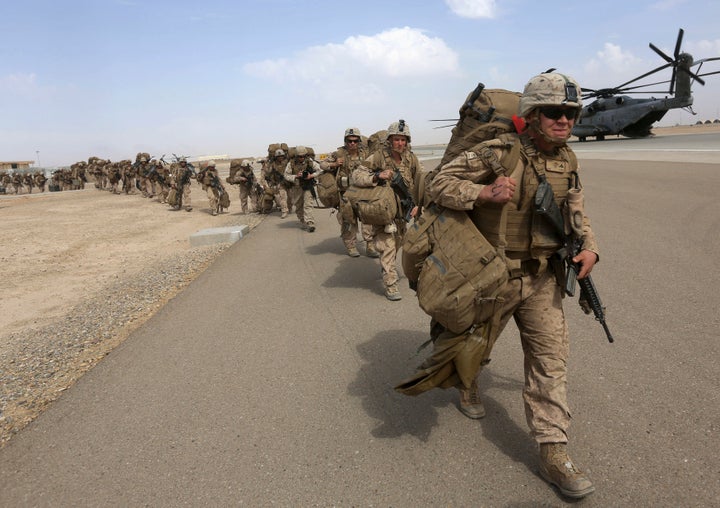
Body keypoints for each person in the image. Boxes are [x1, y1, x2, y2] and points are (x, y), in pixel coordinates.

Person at [425, 72, 599, 498]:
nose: (564, 121)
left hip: (543, 277)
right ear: (533, 115)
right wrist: (481, 195)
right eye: (555, 113)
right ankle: (467, 383)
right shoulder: (499, 152)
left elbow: (576, 212)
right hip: (494, 278)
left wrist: (590, 246)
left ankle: (553, 450)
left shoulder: (566, 161)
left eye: (570, 113)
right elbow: (437, 183)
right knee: (474, 349)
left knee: (550, 361)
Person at [352, 120, 421, 300]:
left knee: (398, 243)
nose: (400, 143)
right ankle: (390, 283)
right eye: (396, 139)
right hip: (384, 211)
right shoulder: (378, 157)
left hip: (403, 212)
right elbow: (357, 175)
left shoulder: (411, 158)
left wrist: (418, 204)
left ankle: (386, 266)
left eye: (403, 140)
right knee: (388, 246)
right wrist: (377, 175)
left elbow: (421, 182)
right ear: (390, 140)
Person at [320, 128, 378, 258]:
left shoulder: (366, 153)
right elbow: (322, 165)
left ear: (359, 141)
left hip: (363, 191)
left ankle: (370, 245)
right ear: (345, 141)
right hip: (346, 193)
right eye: (349, 141)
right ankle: (351, 246)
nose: (352, 143)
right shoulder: (338, 153)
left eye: (355, 141)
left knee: (368, 218)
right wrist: (334, 164)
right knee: (347, 220)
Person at [284, 145, 321, 232]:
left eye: (303, 156)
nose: (302, 158)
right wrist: (295, 176)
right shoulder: (291, 164)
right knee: (299, 206)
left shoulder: (310, 162)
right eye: (300, 156)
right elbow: (286, 175)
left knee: (308, 204)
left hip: (308, 186)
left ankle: (310, 222)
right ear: (296, 156)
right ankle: (302, 220)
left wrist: (311, 175)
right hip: (297, 187)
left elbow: (319, 170)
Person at [260, 149, 290, 218]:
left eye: (282, 156)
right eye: (279, 156)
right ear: (276, 157)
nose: (280, 157)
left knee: (289, 198)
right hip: (279, 183)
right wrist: (265, 166)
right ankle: (284, 211)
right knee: (282, 197)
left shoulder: (286, 162)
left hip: (288, 182)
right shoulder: (272, 164)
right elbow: (267, 173)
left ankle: (289, 208)